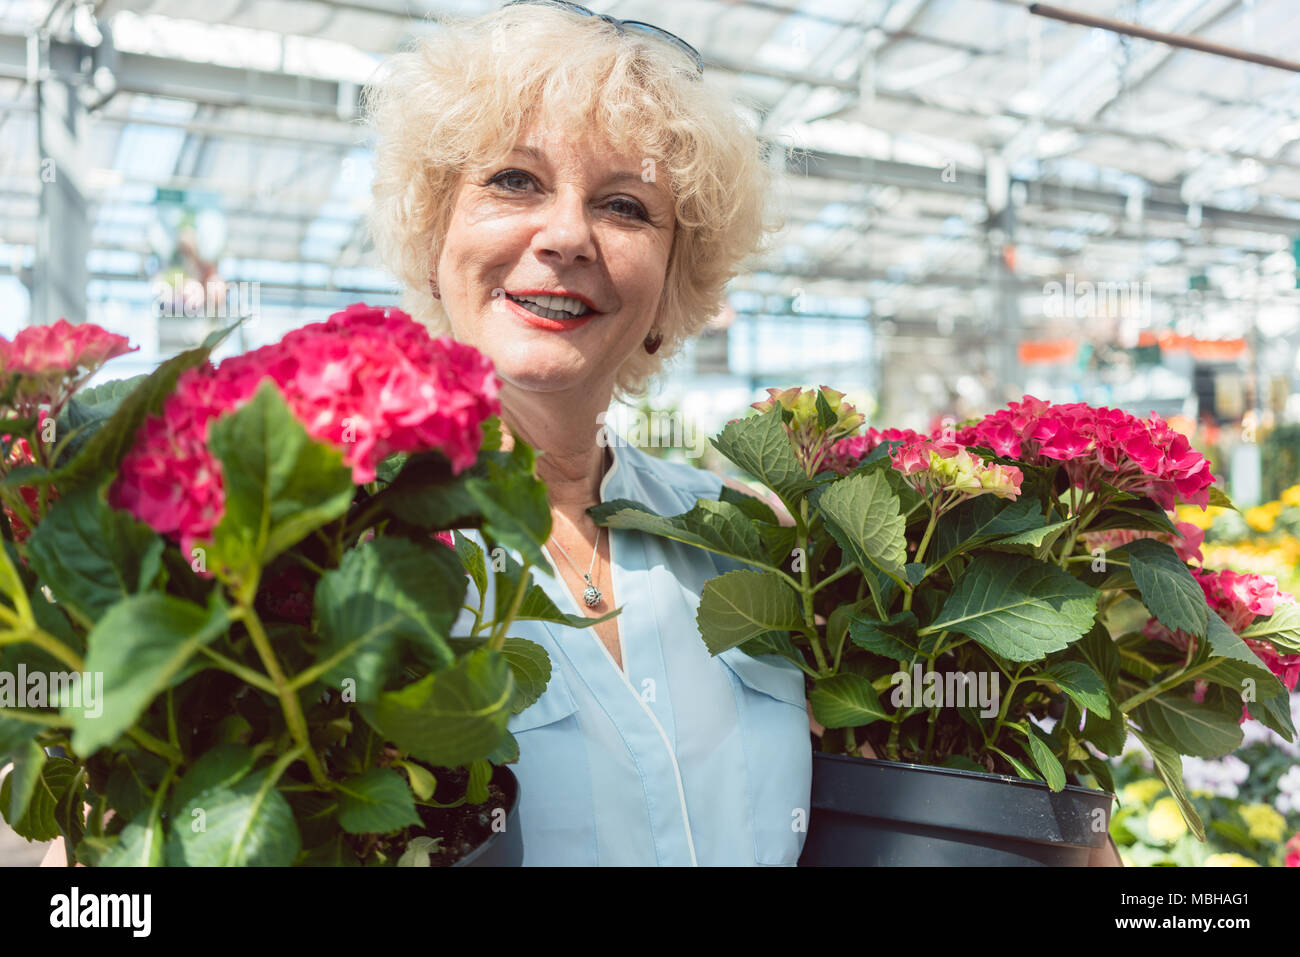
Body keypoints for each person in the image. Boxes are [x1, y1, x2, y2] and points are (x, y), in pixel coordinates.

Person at [363, 0, 809, 865]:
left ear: (673, 285)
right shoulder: (338, 549)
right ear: (432, 238)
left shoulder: (745, 539)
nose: (567, 235)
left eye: (625, 205)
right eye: (514, 181)